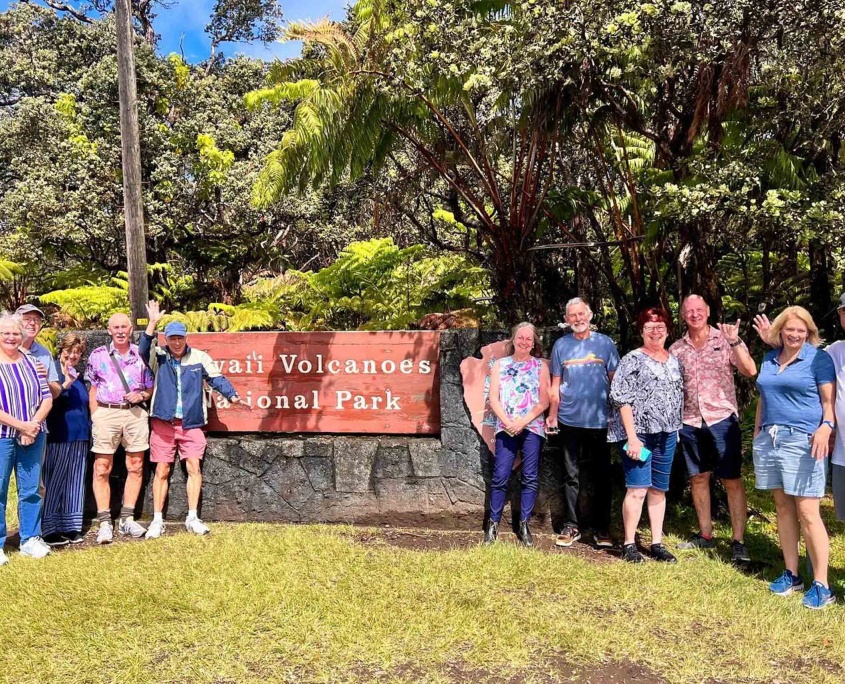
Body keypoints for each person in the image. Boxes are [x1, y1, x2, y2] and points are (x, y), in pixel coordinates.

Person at [752, 306, 836, 609]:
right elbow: (764, 397)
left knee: (808, 512)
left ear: (809, 332)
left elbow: (829, 401)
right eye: (790, 329)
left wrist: (827, 427)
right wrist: (758, 434)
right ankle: (791, 573)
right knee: (782, 507)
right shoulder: (770, 358)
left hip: (803, 441)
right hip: (770, 439)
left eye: (802, 330)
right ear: (780, 330)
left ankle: (822, 585)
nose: (795, 334)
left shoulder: (818, 359)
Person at [140, 302, 244, 538]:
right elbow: (142, 350)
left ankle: (193, 517)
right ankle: (157, 520)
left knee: (194, 468)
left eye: (180, 338)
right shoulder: (160, 356)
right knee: (162, 470)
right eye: (172, 338)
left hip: (192, 423)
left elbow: (217, 378)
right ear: (166, 339)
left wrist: (233, 396)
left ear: (186, 338)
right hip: (163, 422)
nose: (176, 342)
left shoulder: (199, 357)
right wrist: (152, 323)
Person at [669, 296, 757, 562]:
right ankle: (705, 535)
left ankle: (738, 540)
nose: (694, 315)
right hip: (690, 421)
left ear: (707, 312)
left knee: (731, 480)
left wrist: (735, 341)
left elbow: (750, 370)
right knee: (698, 478)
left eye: (699, 310)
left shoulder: (724, 339)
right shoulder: (676, 349)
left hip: (721, 419)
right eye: (689, 311)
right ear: (683, 315)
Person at [608, 307, 683, 564]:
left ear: (668, 331)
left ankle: (657, 543)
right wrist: (632, 437)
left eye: (660, 327)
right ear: (641, 331)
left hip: (667, 434)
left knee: (658, 490)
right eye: (649, 327)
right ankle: (629, 544)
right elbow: (621, 399)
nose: (655, 332)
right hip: (639, 434)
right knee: (637, 488)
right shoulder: (632, 359)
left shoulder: (673, 360)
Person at [547, 297, 619, 548]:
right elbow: (555, 384)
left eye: (581, 314)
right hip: (568, 421)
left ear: (590, 315)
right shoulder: (560, 346)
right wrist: (552, 414)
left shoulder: (606, 344)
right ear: (566, 320)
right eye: (572, 316)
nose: (577, 319)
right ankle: (571, 524)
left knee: (602, 476)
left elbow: (615, 384)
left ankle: (602, 528)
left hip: (600, 422)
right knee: (570, 476)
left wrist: (618, 416)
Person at [86, 313, 154, 544]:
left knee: (135, 466)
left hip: (134, 414)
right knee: (102, 467)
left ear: (131, 328)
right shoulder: (98, 356)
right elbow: (93, 387)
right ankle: (105, 521)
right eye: (116, 327)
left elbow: (150, 387)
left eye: (124, 326)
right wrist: (95, 414)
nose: (120, 331)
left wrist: (142, 395)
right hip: (107, 413)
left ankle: (127, 518)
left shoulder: (141, 355)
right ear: (109, 330)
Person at [484, 322, 550, 547]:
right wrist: (508, 421)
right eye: (520, 338)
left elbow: (544, 401)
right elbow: (493, 398)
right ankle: (492, 524)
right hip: (506, 426)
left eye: (529, 339)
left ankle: (523, 524)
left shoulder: (540, 366)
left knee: (530, 476)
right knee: (500, 475)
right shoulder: (500, 365)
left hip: (532, 426)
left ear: (534, 342)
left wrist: (522, 421)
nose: (524, 342)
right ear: (513, 339)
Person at [0, 313, 54, 565]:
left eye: (14, 333)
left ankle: (30, 538)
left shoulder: (32, 362)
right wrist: (21, 426)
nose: (11, 337)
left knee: (31, 489)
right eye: (5, 333)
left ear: (21, 335)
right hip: (3, 436)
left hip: (33, 436)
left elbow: (47, 397)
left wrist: (32, 427)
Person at [41, 334, 90, 546]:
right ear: (61, 351)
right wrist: (65, 385)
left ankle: (71, 526)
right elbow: (48, 400)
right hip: (58, 435)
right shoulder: (53, 373)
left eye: (77, 352)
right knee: (54, 480)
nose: (73, 355)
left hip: (80, 436)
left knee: (75, 482)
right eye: (69, 351)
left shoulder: (78, 376)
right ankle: (49, 528)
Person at [15, 304, 61, 399]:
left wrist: (46, 380)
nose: (32, 323)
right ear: (16, 323)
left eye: (36, 320)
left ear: (40, 325)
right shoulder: (5, 349)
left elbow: (56, 392)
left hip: (39, 412)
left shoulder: (44, 353)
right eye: (27, 319)